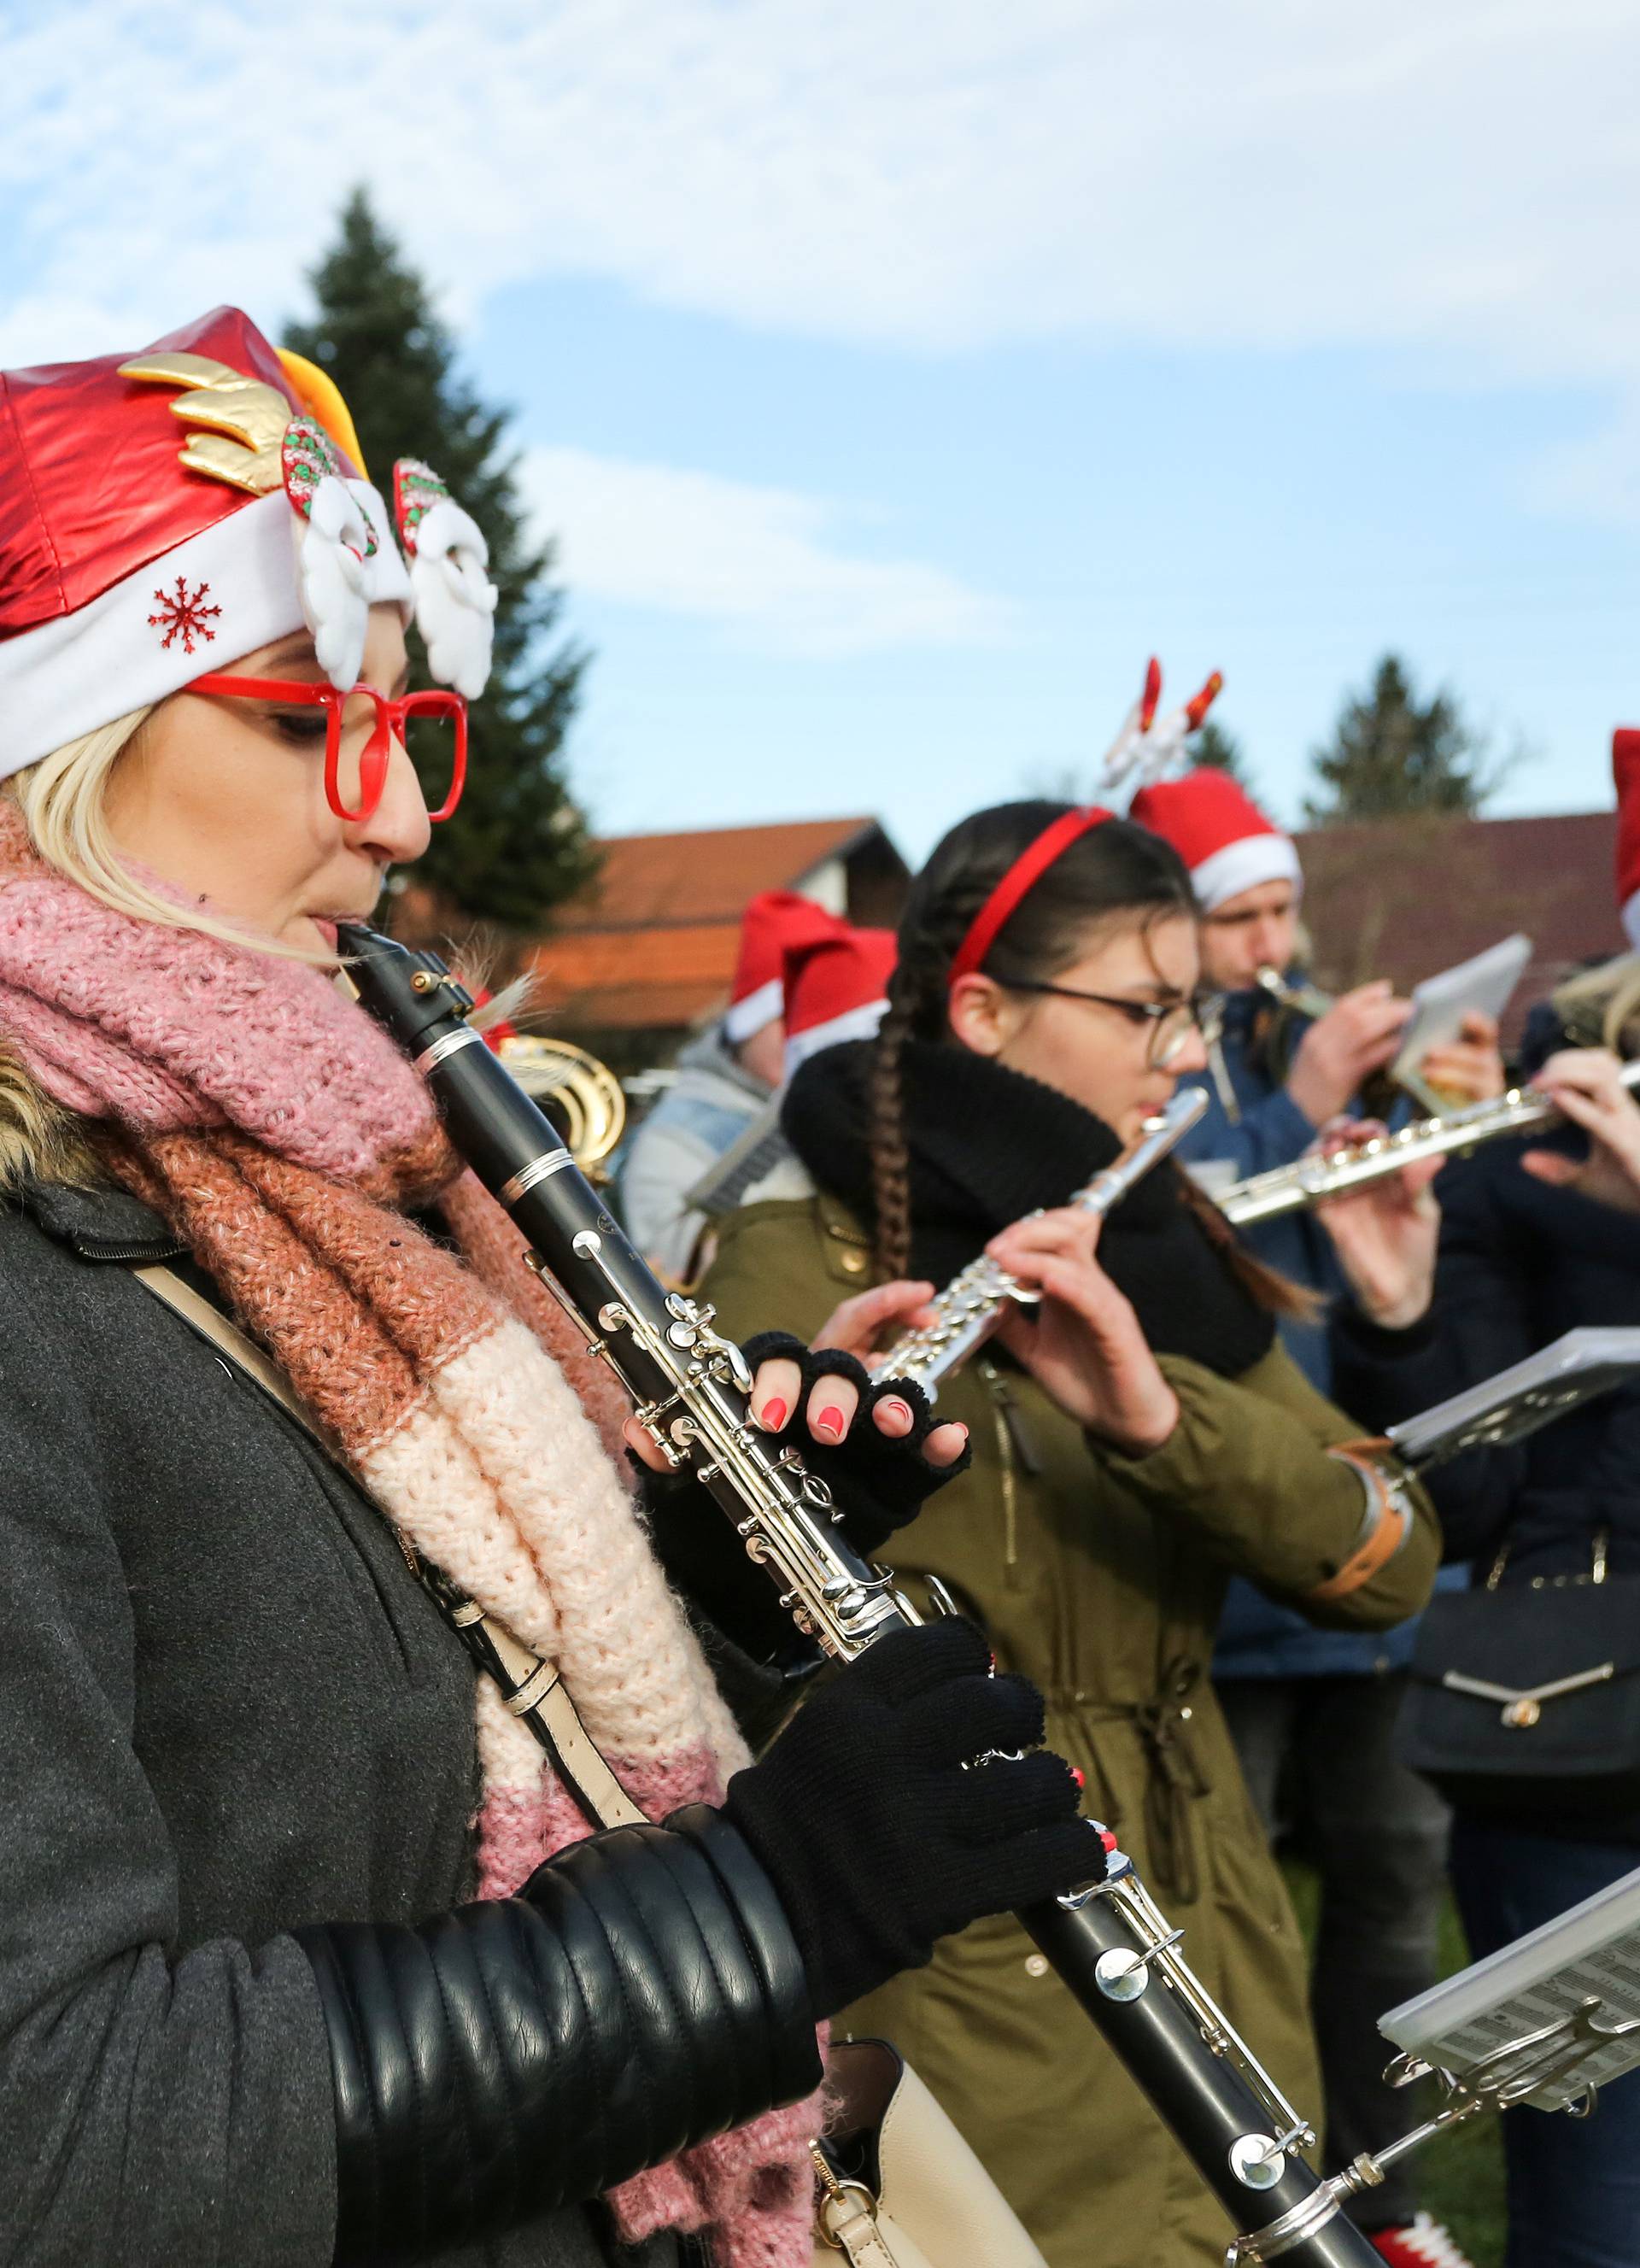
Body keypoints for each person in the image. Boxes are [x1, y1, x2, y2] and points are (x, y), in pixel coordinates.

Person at [0, 308, 1110, 2268]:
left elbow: (350, 1749)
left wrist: (692, 1573)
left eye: (416, 729)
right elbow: (61, 2139)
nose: (401, 819)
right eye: (298, 714)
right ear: (49, 751)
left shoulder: (326, 1189)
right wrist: (762, 1910)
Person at [698, 796, 1441, 2268]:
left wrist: (1160, 1421)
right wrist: (800, 1489)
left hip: (1212, 1911)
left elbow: (1389, 1553)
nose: (1187, 1052)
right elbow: (710, 1661)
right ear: (982, 1009)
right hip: (976, 1949)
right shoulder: (796, 1255)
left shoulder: (1154, 1242)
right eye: (1147, 1007)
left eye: (1195, 1008)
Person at [1128, 762, 1501, 2265]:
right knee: (1231, 1924)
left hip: (1358, 1546)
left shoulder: (1316, 1037)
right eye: (1244, 914)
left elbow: (1384, 1262)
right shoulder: (1158, 1053)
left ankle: (1390, 2194)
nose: (1273, 940)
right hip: (1228, 1571)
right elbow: (1172, 1227)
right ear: (1185, 922)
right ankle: (1258, 2197)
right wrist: (1302, 1107)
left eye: (1285, 908)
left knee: (1392, 1895)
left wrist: (1434, 1117)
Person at [1321, 731, 1640, 2268]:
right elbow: (1486, 1486)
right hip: (1585, 1739)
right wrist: (1394, 1317)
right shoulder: (1536, 1166)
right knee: (1598, 2198)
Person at [619, 889, 838, 1277]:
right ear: (747, 1024)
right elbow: (676, 1277)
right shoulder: (672, 1138)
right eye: (789, 1016)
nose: (805, 1036)